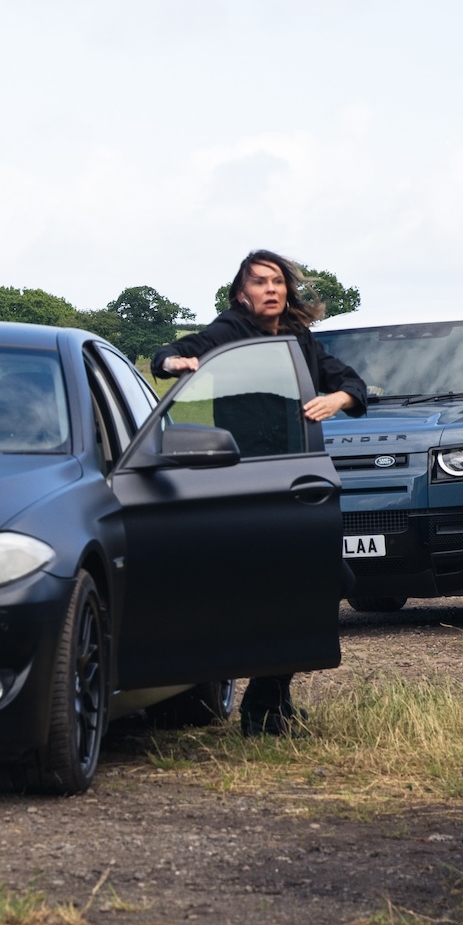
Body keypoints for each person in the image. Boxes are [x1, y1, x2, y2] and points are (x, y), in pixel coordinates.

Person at [151, 249, 368, 737]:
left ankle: (271, 696)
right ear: (241, 294)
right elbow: (175, 350)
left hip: (294, 482)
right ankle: (263, 704)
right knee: (281, 587)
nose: (271, 289)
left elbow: (350, 382)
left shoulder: (298, 339)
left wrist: (337, 397)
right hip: (244, 483)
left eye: (277, 282)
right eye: (260, 282)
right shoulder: (230, 333)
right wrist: (172, 361)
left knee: (331, 580)